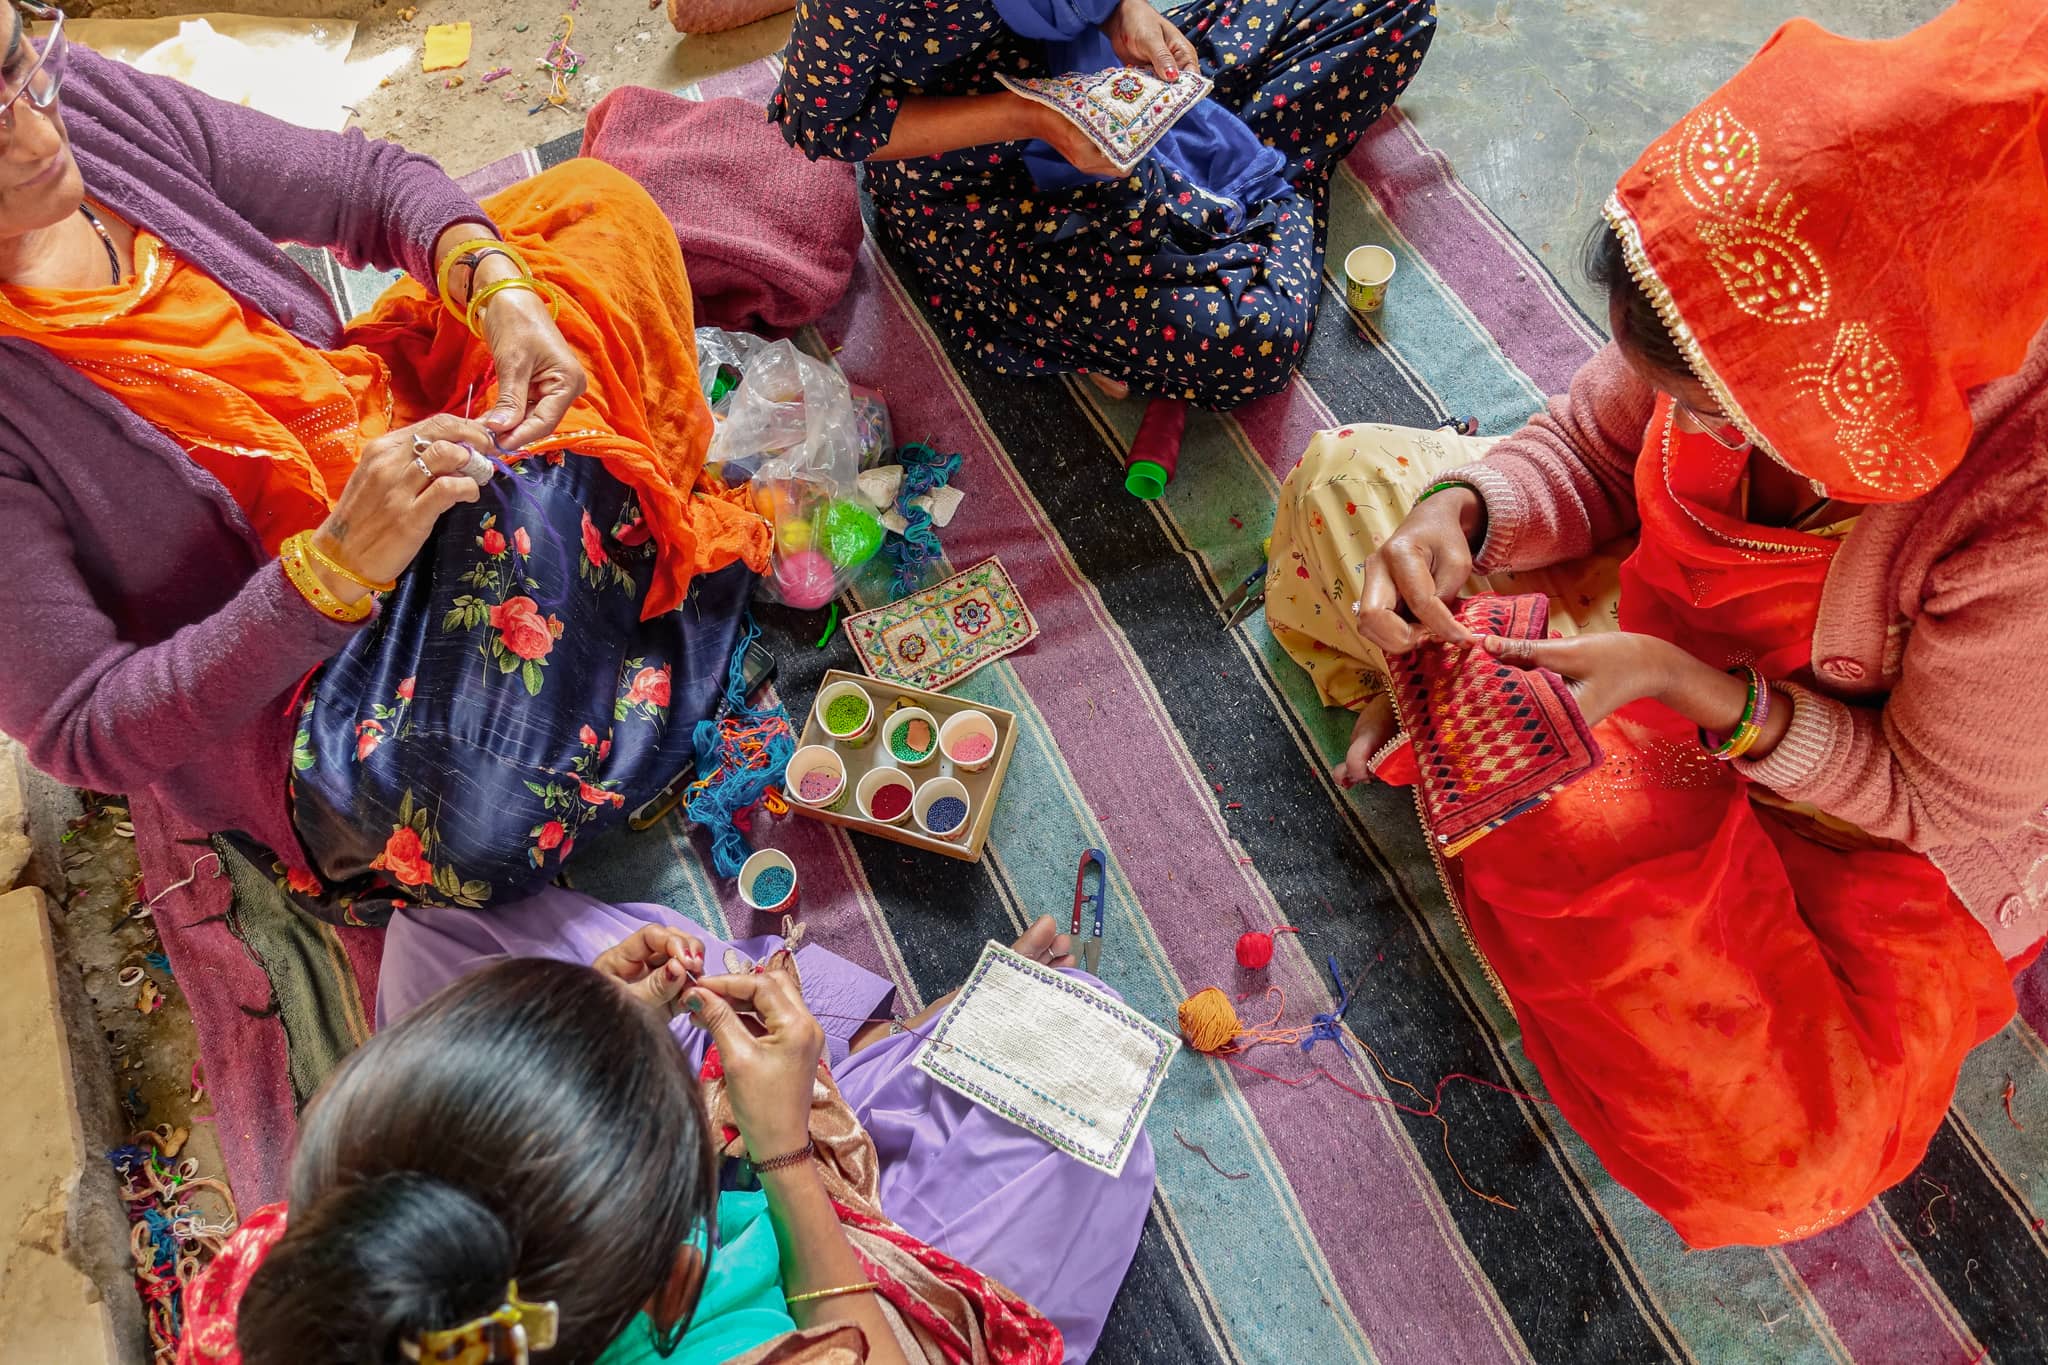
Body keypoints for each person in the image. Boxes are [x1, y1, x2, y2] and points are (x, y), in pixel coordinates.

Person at [1266, 0, 2048, 1247]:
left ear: (1855, 407)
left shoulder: (2020, 528)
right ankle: (1479, 731)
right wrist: (1461, 516)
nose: (1691, 423)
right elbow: (1585, 445)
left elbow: (1931, 802)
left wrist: (1692, 693)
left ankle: (1488, 750)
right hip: (1650, 643)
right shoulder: (1742, 287)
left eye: (1727, 417)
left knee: (1783, 1156)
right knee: (1349, 486)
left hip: (1859, 820)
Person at [0, 6, 771, 924]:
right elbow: (88, 729)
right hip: (302, 672)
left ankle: (572, 597)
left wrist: (498, 289)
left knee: (597, 213)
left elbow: (364, 183)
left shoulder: (77, 102)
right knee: (472, 825)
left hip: (399, 423)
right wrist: (327, 573)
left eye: (18, 63)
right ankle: (592, 564)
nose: (40, 126)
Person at [174, 904, 1154, 1364]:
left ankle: (876, 1063)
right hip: (829, 1300)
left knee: (433, 934)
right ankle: (878, 1064)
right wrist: (782, 1153)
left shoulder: (311, 1299)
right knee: (1077, 1050)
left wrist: (592, 1028)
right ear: (670, 1273)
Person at [769, 0, 1434, 409]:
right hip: (982, 184)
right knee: (1255, 337)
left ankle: (1231, 194)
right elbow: (820, 124)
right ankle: (1255, 188)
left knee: (1391, 6)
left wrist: (1126, 11)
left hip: (1100, 70)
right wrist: (1029, 116)